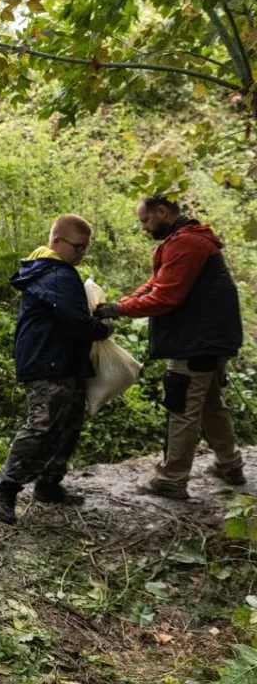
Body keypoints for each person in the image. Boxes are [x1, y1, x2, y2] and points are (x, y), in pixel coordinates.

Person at [93, 196, 246, 499]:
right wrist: (121, 304)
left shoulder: (186, 243)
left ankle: (172, 479)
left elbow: (165, 297)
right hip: (210, 340)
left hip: (195, 342)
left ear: (162, 212)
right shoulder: (190, 239)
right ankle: (231, 465)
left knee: (181, 406)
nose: (145, 228)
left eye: (146, 221)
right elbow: (156, 283)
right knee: (210, 404)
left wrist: (119, 310)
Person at [0, 215, 113, 525]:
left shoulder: (55, 271)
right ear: (57, 242)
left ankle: (48, 483)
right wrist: (102, 328)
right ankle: (5, 485)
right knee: (41, 426)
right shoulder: (56, 274)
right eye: (77, 247)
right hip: (47, 362)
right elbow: (75, 321)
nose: (81, 253)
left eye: (86, 248)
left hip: (64, 361)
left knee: (69, 423)